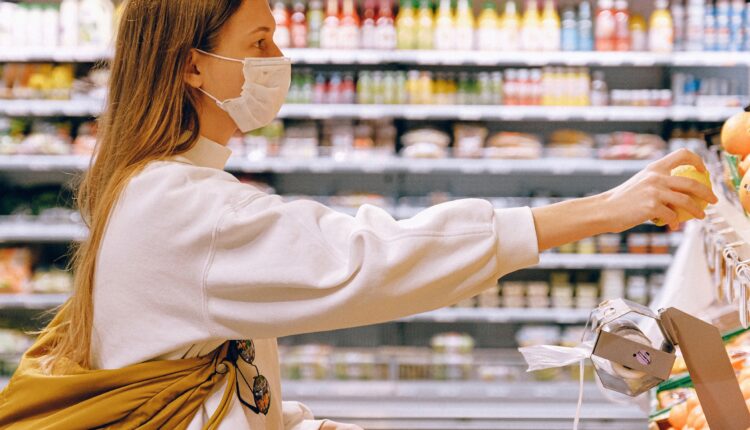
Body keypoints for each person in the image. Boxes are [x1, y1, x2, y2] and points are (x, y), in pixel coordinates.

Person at [0, 0, 717, 429]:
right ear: (192, 67)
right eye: (258, 43)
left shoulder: (159, 183)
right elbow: (373, 256)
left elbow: (210, 372)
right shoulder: (181, 205)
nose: (278, 58)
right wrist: (602, 210)